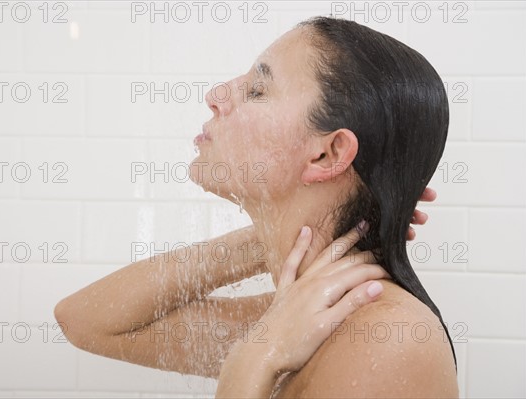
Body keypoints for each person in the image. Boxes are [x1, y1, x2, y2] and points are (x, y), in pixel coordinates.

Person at [55, 16, 458, 398]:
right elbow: (84, 320)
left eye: (257, 91)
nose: (216, 97)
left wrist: (253, 361)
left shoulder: (386, 336)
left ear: (327, 154)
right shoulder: (296, 320)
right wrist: (272, 236)